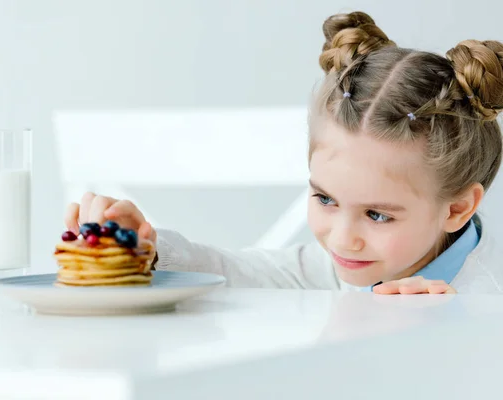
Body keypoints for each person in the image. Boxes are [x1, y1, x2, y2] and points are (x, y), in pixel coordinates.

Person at [64, 11, 503, 294]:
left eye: (378, 215)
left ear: (457, 208)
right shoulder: (339, 265)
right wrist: (150, 248)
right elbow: (236, 272)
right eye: (325, 200)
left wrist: (443, 334)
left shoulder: (484, 301)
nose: (341, 237)